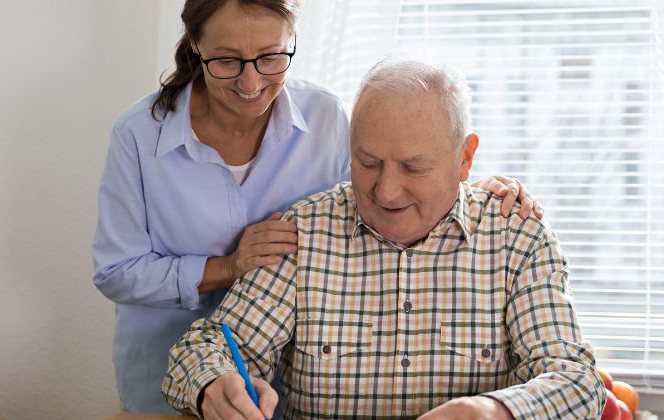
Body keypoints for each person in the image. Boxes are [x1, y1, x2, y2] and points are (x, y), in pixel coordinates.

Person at [93, 0, 542, 414]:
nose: (251, 83)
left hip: (285, 389)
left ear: (292, 42)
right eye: (227, 61)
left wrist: (456, 186)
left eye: (271, 57)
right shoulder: (139, 135)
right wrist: (230, 265)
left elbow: (378, 196)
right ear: (196, 45)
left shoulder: (325, 116)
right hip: (165, 377)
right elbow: (117, 271)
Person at [162, 58, 603, 420]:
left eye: (414, 167)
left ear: (465, 157)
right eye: (368, 162)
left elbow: (577, 383)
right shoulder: (306, 234)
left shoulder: (517, 238)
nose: (386, 191)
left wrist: (492, 412)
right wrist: (212, 386)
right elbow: (204, 349)